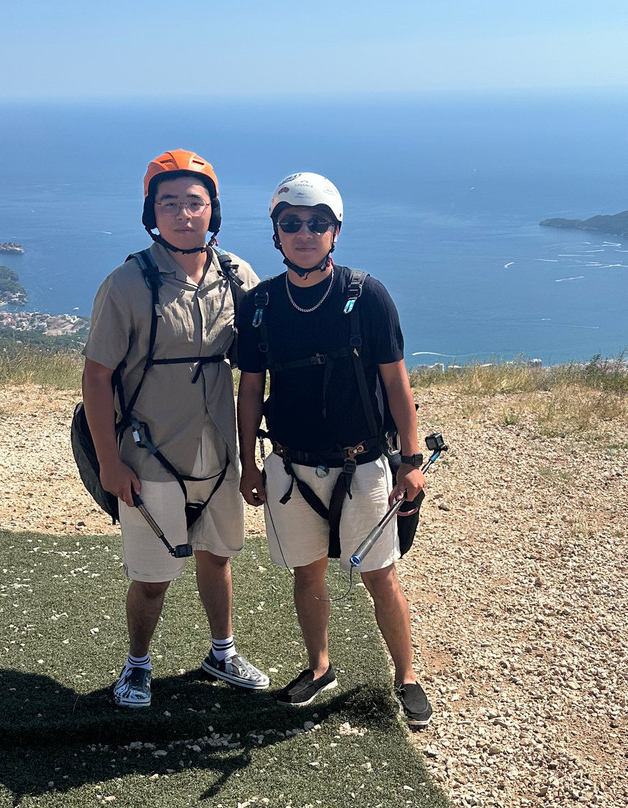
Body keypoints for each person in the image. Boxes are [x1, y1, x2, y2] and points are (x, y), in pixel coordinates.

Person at [236, 172, 433, 727]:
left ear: (335, 231)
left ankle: (407, 675)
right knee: (307, 574)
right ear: (276, 232)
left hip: (362, 461)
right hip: (290, 464)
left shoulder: (366, 296)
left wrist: (411, 461)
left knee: (381, 576)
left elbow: (397, 383)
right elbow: (250, 390)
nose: (304, 232)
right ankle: (319, 666)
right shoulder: (260, 305)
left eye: (317, 223)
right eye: (292, 223)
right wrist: (248, 462)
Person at [82, 149, 268, 708]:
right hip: (148, 451)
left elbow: (259, 363)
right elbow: (96, 377)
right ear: (151, 212)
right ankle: (138, 664)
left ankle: (221, 650)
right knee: (153, 574)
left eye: (196, 203)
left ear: (213, 210)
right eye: (170, 204)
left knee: (217, 557)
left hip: (219, 451)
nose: (184, 215)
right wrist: (109, 463)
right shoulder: (127, 284)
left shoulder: (236, 276)